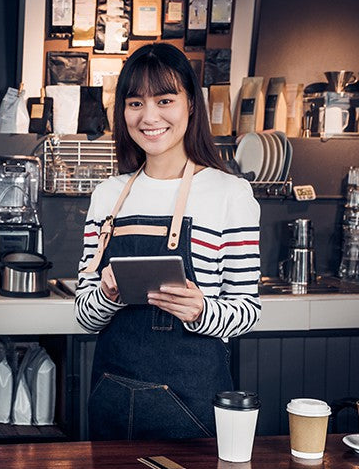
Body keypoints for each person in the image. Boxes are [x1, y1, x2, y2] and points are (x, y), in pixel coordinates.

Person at [75, 43, 261, 441]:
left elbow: (248, 310)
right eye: (135, 103)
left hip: (190, 403)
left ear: (191, 104)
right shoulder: (108, 195)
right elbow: (85, 317)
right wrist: (107, 294)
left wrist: (200, 311)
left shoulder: (231, 193)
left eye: (165, 100)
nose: (149, 117)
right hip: (111, 397)